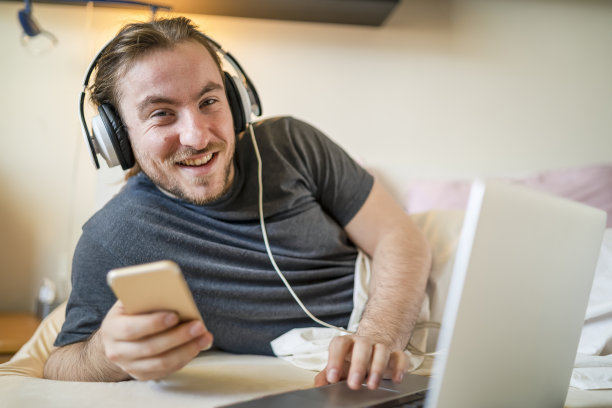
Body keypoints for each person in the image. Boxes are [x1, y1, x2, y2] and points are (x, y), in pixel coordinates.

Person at [43, 17, 431, 391]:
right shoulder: (111, 238)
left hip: (406, 308)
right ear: (118, 141)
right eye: (161, 114)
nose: (197, 136)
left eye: (209, 101)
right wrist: (104, 356)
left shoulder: (290, 143)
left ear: (236, 102)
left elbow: (398, 237)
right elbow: (60, 361)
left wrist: (379, 336)